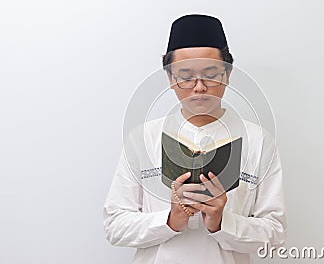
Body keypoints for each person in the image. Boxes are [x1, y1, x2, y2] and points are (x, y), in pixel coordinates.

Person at [103, 14, 287, 264]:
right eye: (186, 76)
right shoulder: (142, 139)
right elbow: (115, 226)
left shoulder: (258, 140)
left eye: (210, 74)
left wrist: (223, 222)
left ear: (228, 74)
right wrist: (170, 220)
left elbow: (275, 233)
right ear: (170, 78)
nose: (199, 87)